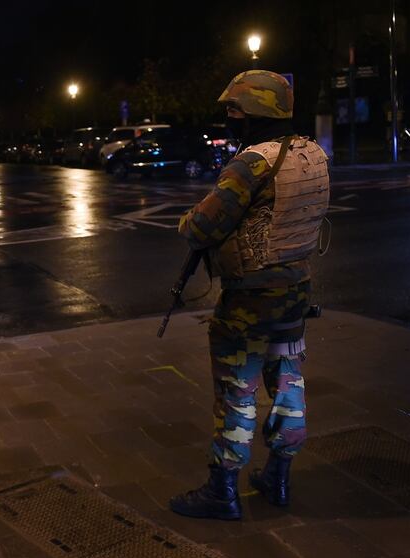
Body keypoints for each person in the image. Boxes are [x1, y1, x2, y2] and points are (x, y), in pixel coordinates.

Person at [170, 70, 330, 520]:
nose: (229, 116)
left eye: (234, 109)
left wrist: (187, 221)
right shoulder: (313, 154)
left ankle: (223, 491)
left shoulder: (253, 162)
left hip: (249, 300)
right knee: (288, 383)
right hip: (295, 292)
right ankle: (278, 477)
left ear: (258, 110)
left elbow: (202, 225)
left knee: (237, 390)